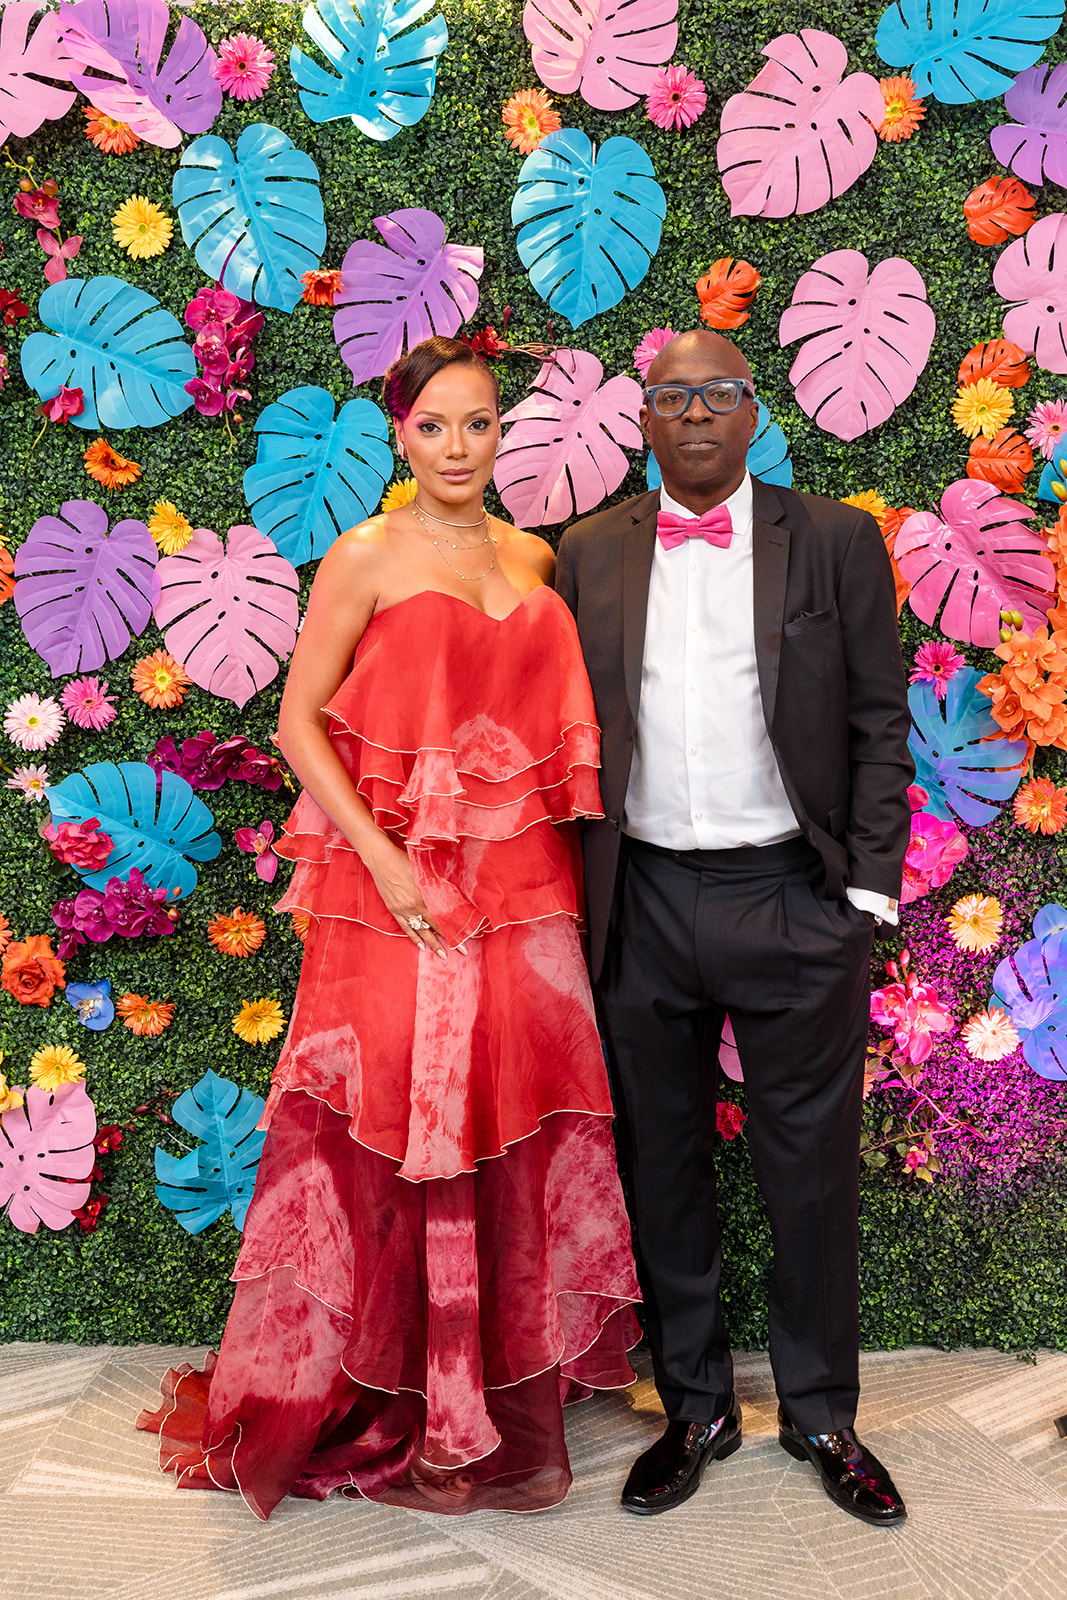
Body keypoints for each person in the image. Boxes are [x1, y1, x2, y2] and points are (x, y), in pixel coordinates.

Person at [137, 335, 640, 1520]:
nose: (456, 447)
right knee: (396, 1124)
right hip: (395, 890)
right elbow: (297, 720)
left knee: (507, 1116)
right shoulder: (362, 554)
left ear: (502, 429)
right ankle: (394, 1395)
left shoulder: (534, 556)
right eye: (432, 426)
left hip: (524, 890)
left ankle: (485, 1384)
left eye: (478, 423)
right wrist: (383, 857)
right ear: (397, 433)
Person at [556, 328, 914, 1524]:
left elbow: (876, 719)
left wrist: (862, 893)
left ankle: (819, 1410)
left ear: (752, 411)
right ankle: (694, 1405)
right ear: (643, 421)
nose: (697, 413)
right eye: (673, 397)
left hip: (791, 896)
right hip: (643, 899)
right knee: (659, 1165)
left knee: (807, 1171)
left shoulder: (833, 540)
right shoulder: (587, 552)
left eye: (718, 392)